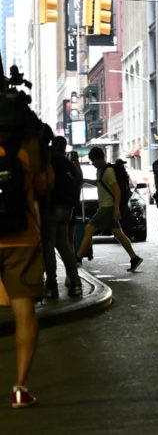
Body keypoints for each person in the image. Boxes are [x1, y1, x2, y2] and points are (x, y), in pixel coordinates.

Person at [0, 105, 51, 408]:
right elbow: (45, 185)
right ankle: (20, 388)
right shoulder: (29, 144)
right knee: (24, 314)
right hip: (22, 238)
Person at [75, 147, 143, 272]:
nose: (93, 164)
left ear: (100, 158)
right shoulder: (101, 171)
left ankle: (78, 258)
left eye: (94, 161)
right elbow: (99, 183)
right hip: (107, 206)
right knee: (118, 234)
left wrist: (116, 208)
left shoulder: (109, 171)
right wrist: (85, 181)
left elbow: (116, 191)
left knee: (89, 228)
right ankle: (134, 258)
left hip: (108, 207)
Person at [42, 136, 82, 299]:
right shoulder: (67, 163)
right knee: (64, 245)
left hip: (53, 207)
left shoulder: (48, 159)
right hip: (68, 208)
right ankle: (76, 283)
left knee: (48, 245)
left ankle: (51, 284)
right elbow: (78, 179)